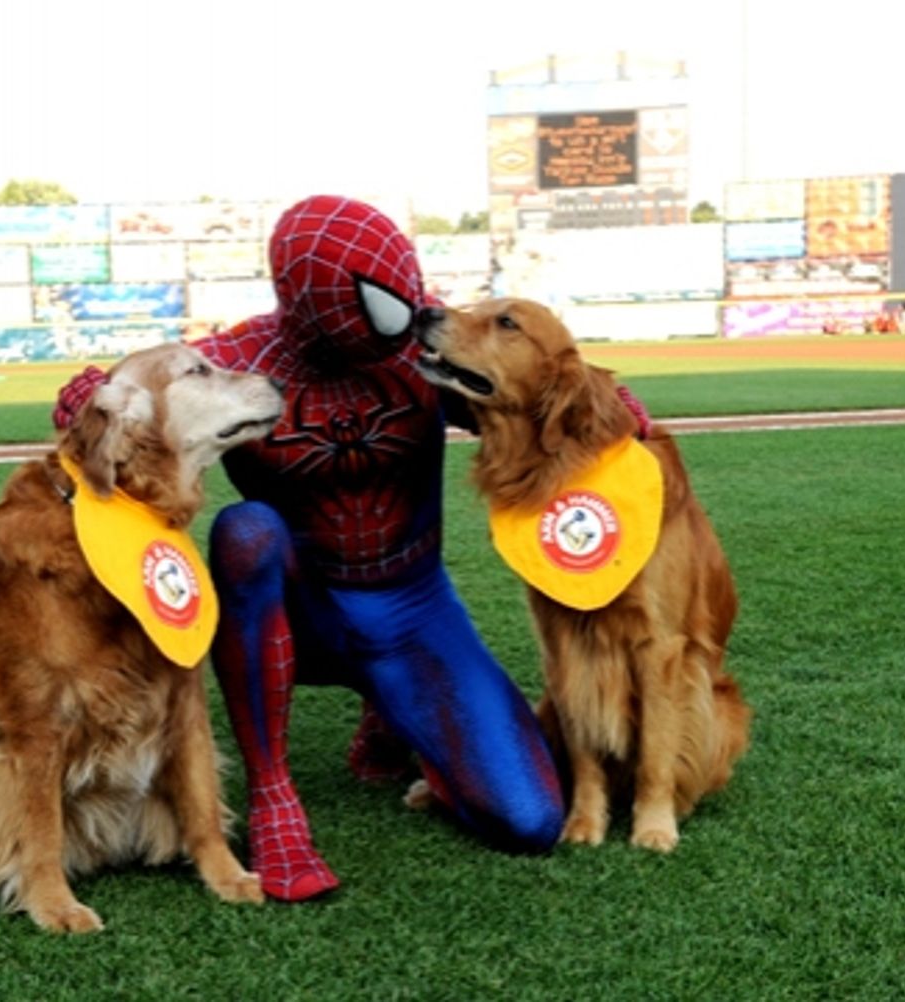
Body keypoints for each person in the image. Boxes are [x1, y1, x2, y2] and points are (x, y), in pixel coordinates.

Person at [53, 196, 650, 902]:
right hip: (302, 603)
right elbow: (120, 415)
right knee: (247, 532)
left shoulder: (426, 337)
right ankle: (274, 791)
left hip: (413, 606)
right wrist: (86, 398)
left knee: (528, 819)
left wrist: (610, 406)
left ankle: (393, 716)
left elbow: (546, 396)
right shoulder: (234, 367)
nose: (402, 321)